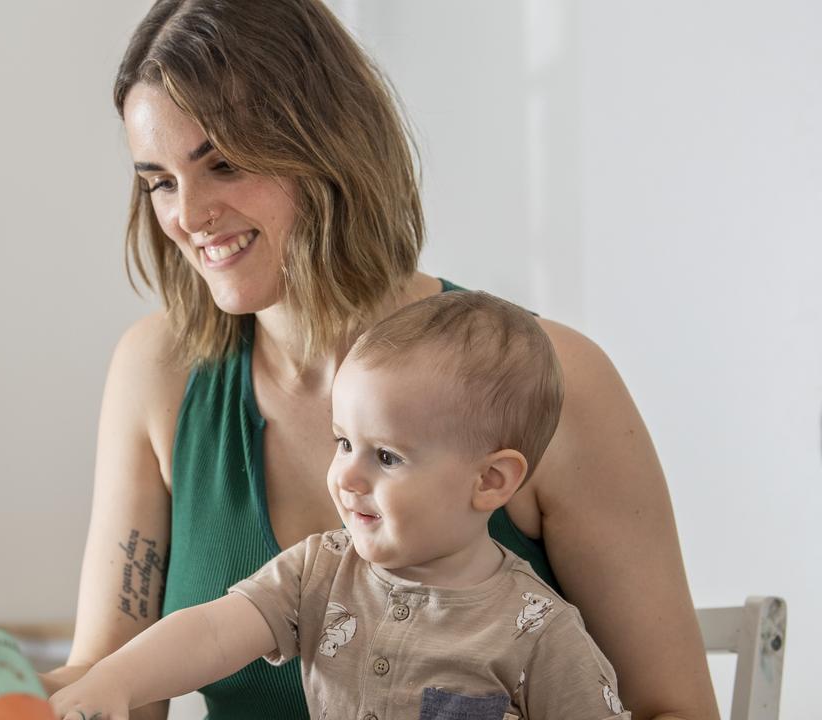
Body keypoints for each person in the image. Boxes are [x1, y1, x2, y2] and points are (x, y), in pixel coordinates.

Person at [40, 1, 718, 719]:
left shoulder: (555, 378)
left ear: (325, 143)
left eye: (226, 164)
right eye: (160, 181)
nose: (188, 214)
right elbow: (108, 683)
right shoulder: (158, 371)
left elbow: (673, 708)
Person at [50, 292, 631, 720]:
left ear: (490, 480)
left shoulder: (541, 632)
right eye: (344, 443)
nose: (347, 475)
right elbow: (209, 634)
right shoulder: (318, 572)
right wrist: (115, 681)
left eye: (387, 456)